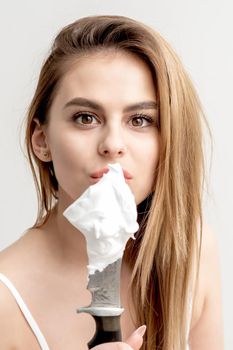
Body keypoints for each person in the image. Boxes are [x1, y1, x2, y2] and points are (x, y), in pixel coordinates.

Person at [0, 15, 224, 350]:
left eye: (140, 120)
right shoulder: (5, 296)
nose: (113, 144)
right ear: (42, 139)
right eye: (86, 118)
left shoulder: (192, 247)